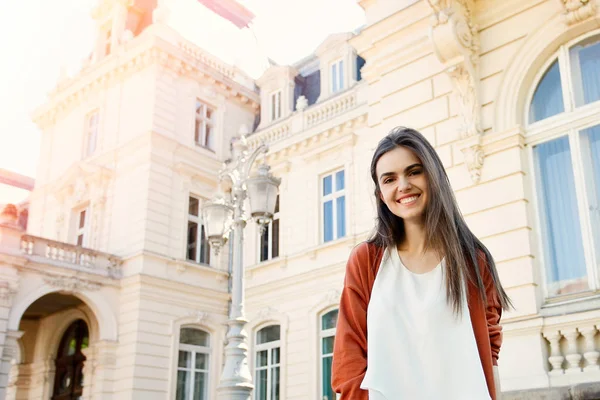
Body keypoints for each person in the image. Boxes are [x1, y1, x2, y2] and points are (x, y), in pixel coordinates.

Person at [331, 127, 512, 400]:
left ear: (433, 176)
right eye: (389, 179)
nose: (403, 185)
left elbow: (489, 353)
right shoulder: (366, 261)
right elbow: (349, 360)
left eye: (414, 171)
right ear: (381, 194)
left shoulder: (474, 262)